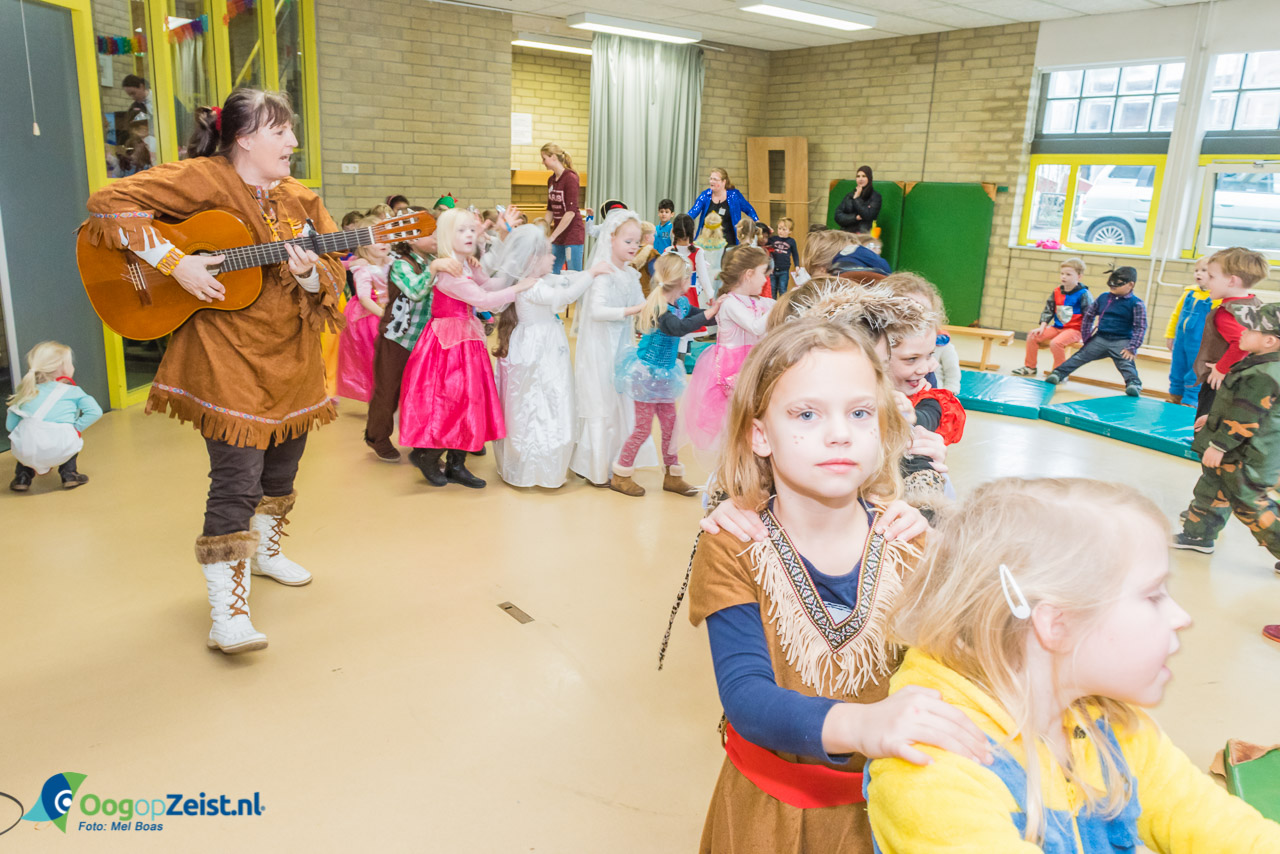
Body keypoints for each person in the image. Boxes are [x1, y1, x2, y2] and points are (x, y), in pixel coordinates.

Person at [687, 317, 985, 853]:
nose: (840, 433)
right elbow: (747, 698)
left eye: (859, 412)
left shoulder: (908, 541)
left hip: (893, 818)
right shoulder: (735, 544)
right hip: (770, 822)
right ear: (760, 434)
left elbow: (964, 669)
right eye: (806, 413)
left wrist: (944, 557)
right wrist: (864, 726)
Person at [867, 477, 1280, 853]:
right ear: (1056, 623)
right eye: (1153, 595)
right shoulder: (932, 775)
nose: (1182, 617)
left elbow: (1220, 827)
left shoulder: (1114, 726)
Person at [85, 88, 344, 655]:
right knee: (236, 479)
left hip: (292, 358)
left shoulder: (301, 198)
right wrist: (175, 263)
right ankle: (228, 613)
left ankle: (268, 553)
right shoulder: (201, 178)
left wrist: (306, 275)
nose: (294, 143)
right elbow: (108, 202)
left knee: (283, 467)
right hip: (225, 356)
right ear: (245, 137)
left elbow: (332, 271)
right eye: (282, 132)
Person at [398, 209, 531, 488]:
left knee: (471, 401)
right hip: (446, 346)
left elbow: (491, 284)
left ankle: (457, 464)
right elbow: (483, 300)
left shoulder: (465, 264)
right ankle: (430, 457)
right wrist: (520, 289)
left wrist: (510, 275)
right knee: (448, 404)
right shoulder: (448, 270)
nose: (470, 234)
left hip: (467, 340)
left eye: (472, 229)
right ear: (447, 235)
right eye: (462, 230)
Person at [492, 227, 610, 488]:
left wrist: (583, 274)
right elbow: (564, 295)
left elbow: (563, 281)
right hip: (537, 349)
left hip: (541, 345)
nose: (553, 257)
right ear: (532, 260)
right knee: (537, 403)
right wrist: (591, 273)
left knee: (545, 400)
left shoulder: (538, 280)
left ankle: (539, 463)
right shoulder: (532, 286)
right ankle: (533, 467)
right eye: (547, 253)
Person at [1173, 301, 1280, 569]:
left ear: (1269, 341)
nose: (1241, 331)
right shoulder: (1258, 365)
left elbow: (1247, 416)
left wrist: (1219, 445)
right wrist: (1215, 417)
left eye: (1249, 328)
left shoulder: (1264, 374)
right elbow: (1245, 407)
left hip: (1246, 455)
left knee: (1249, 502)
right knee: (1212, 488)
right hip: (1237, 447)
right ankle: (1198, 534)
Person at [610, 254, 720, 498]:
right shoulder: (660, 307)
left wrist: (717, 311)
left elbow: (695, 314)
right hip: (647, 376)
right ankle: (621, 474)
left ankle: (672, 476)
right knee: (642, 430)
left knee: (670, 428)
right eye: (689, 277)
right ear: (680, 280)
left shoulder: (680, 302)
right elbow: (678, 328)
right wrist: (711, 313)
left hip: (666, 376)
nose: (690, 281)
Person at [570, 209, 659, 486]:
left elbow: (640, 309)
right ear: (611, 239)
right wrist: (637, 308)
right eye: (628, 241)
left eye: (637, 242)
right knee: (603, 399)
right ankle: (595, 466)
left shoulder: (630, 275)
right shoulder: (604, 273)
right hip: (600, 346)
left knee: (621, 397)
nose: (634, 247)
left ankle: (616, 460)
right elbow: (597, 311)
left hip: (621, 344)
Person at [363, 212, 446, 462]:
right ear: (410, 239)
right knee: (388, 391)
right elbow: (416, 291)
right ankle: (376, 436)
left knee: (421, 392)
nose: (436, 237)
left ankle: (421, 441)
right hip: (397, 340)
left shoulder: (434, 259)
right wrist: (433, 269)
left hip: (424, 341)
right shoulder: (401, 264)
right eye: (429, 233)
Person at [684, 245, 774, 456]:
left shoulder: (758, 301)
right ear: (749, 274)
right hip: (732, 370)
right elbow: (755, 326)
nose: (765, 281)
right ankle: (729, 475)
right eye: (763, 274)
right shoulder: (730, 303)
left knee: (750, 421)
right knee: (734, 426)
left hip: (751, 366)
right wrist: (780, 306)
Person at [6, 341, 102, 492]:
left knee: (26, 437)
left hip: (26, 451)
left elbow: (10, 426)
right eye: (71, 364)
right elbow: (95, 411)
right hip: (61, 446)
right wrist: (75, 427)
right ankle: (69, 474)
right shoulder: (73, 391)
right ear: (61, 368)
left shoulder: (27, 390)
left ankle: (22, 477)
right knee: (70, 440)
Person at [1045, 266, 1146, 397]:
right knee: (1080, 356)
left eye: (1118, 284)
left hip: (1121, 341)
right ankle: (1058, 373)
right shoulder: (1104, 297)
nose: (1113, 287)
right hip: (1101, 338)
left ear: (1131, 284)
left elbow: (1140, 326)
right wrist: (1087, 337)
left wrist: (1133, 347)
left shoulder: (1136, 304)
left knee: (1125, 363)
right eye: (1111, 284)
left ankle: (1134, 384)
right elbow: (1089, 316)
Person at [1193, 246, 1269, 419]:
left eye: (1211, 277)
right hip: (1246, 378)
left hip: (1220, 380)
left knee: (1207, 420)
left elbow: (1241, 345)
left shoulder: (1227, 313)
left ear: (1232, 281)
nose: (1207, 282)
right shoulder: (1255, 303)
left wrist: (1221, 368)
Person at [336, 217, 391, 402]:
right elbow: (365, 298)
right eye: (376, 239)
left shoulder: (393, 262)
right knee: (371, 358)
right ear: (364, 245)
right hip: (368, 317)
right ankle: (378, 394)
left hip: (388, 310)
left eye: (386, 237)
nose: (383, 243)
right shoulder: (363, 268)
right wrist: (385, 315)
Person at [1012, 258, 1092, 377]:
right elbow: (1048, 310)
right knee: (1032, 336)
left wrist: (1086, 335)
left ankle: (1059, 372)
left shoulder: (1084, 293)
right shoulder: (1056, 291)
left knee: (1056, 343)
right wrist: (1042, 327)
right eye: (1062, 274)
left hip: (1075, 330)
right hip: (1057, 327)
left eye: (1068, 274)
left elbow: (1089, 315)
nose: (1064, 277)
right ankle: (1030, 367)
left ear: (1079, 276)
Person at [883, 272, 960, 393]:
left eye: (930, 355)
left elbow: (933, 405)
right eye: (912, 359)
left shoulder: (926, 373)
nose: (924, 369)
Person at [1165, 255, 1215, 407]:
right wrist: (1170, 335)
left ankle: (1190, 400)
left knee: (1194, 370)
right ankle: (1175, 395)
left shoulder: (1216, 297)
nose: (1198, 274)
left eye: (1204, 271)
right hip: (1181, 340)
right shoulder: (1189, 292)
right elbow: (1176, 314)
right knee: (1177, 367)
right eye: (1196, 270)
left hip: (1200, 343)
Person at [688, 167, 758, 247]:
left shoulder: (734, 195)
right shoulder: (705, 195)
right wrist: (682, 222)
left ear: (723, 182)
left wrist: (758, 222)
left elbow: (749, 209)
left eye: (715, 179)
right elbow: (693, 212)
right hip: (709, 241)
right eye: (710, 179)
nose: (711, 181)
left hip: (729, 241)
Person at [541, 143, 584, 273]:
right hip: (559, 234)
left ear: (553, 157)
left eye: (544, 159)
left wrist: (552, 236)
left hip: (572, 234)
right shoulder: (551, 180)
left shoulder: (570, 178)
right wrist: (540, 230)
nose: (543, 162)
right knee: (551, 271)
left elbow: (570, 213)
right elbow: (550, 210)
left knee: (573, 274)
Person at [833, 166, 881, 235]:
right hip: (846, 235)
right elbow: (838, 216)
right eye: (858, 176)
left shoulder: (875, 197)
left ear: (869, 178)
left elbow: (868, 215)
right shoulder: (850, 195)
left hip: (864, 236)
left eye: (864, 176)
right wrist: (855, 217)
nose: (860, 179)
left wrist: (856, 198)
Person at [765, 218, 799, 298]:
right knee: (772, 290)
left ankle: (781, 307)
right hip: (772, 270)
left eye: (784, 229)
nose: (781, 231)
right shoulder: (773, 239)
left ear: (790, 231)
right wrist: (768, 231)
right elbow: (764, 240)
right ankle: (772, 308)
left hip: (784, 271)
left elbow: (795, 254)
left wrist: (797, 266)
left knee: (783, 290)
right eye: (779, 228)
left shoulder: (791, 241)